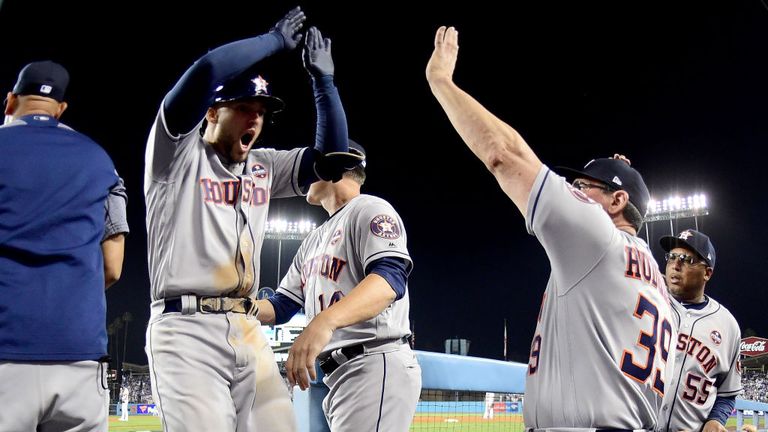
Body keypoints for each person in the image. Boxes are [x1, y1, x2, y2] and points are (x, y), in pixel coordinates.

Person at [426, 27, 675, 430]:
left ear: (617, 202)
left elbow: (504, 156)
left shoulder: (599, 238)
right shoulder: (657, 283)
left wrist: (441, 83)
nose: (574, 192)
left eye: (584, 187)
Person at [143, 8, 353, 431]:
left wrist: (324, 84)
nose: (255, 118)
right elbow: (205, 71)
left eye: (260, 110)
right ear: (211, 113)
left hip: (247, 325)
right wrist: (272, 42)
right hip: (186, 331)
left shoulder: (263, 165)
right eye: (242, 107)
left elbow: (330, 162)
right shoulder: (175, 154)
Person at [257, 140, 421, 431]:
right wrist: (236, 306)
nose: (303, 173)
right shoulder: (312, 240)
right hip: (339, 375)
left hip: (374, 362)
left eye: (312, 165)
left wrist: (324, 322)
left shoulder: (369, 208)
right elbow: (281, 306)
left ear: (336, 167)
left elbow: (389, 281)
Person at [0, 60, 123, 431]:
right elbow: (113, 266)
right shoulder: (101, 161)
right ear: (62, 109)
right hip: (79, 355)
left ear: (9, 102)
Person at [657, 230, 742, 432]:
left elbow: (727, 393)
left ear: (707, 273)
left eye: (688, 259)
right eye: (672, 257)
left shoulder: (727, 325)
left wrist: (716, 420)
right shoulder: (648, 299)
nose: (676, 265)